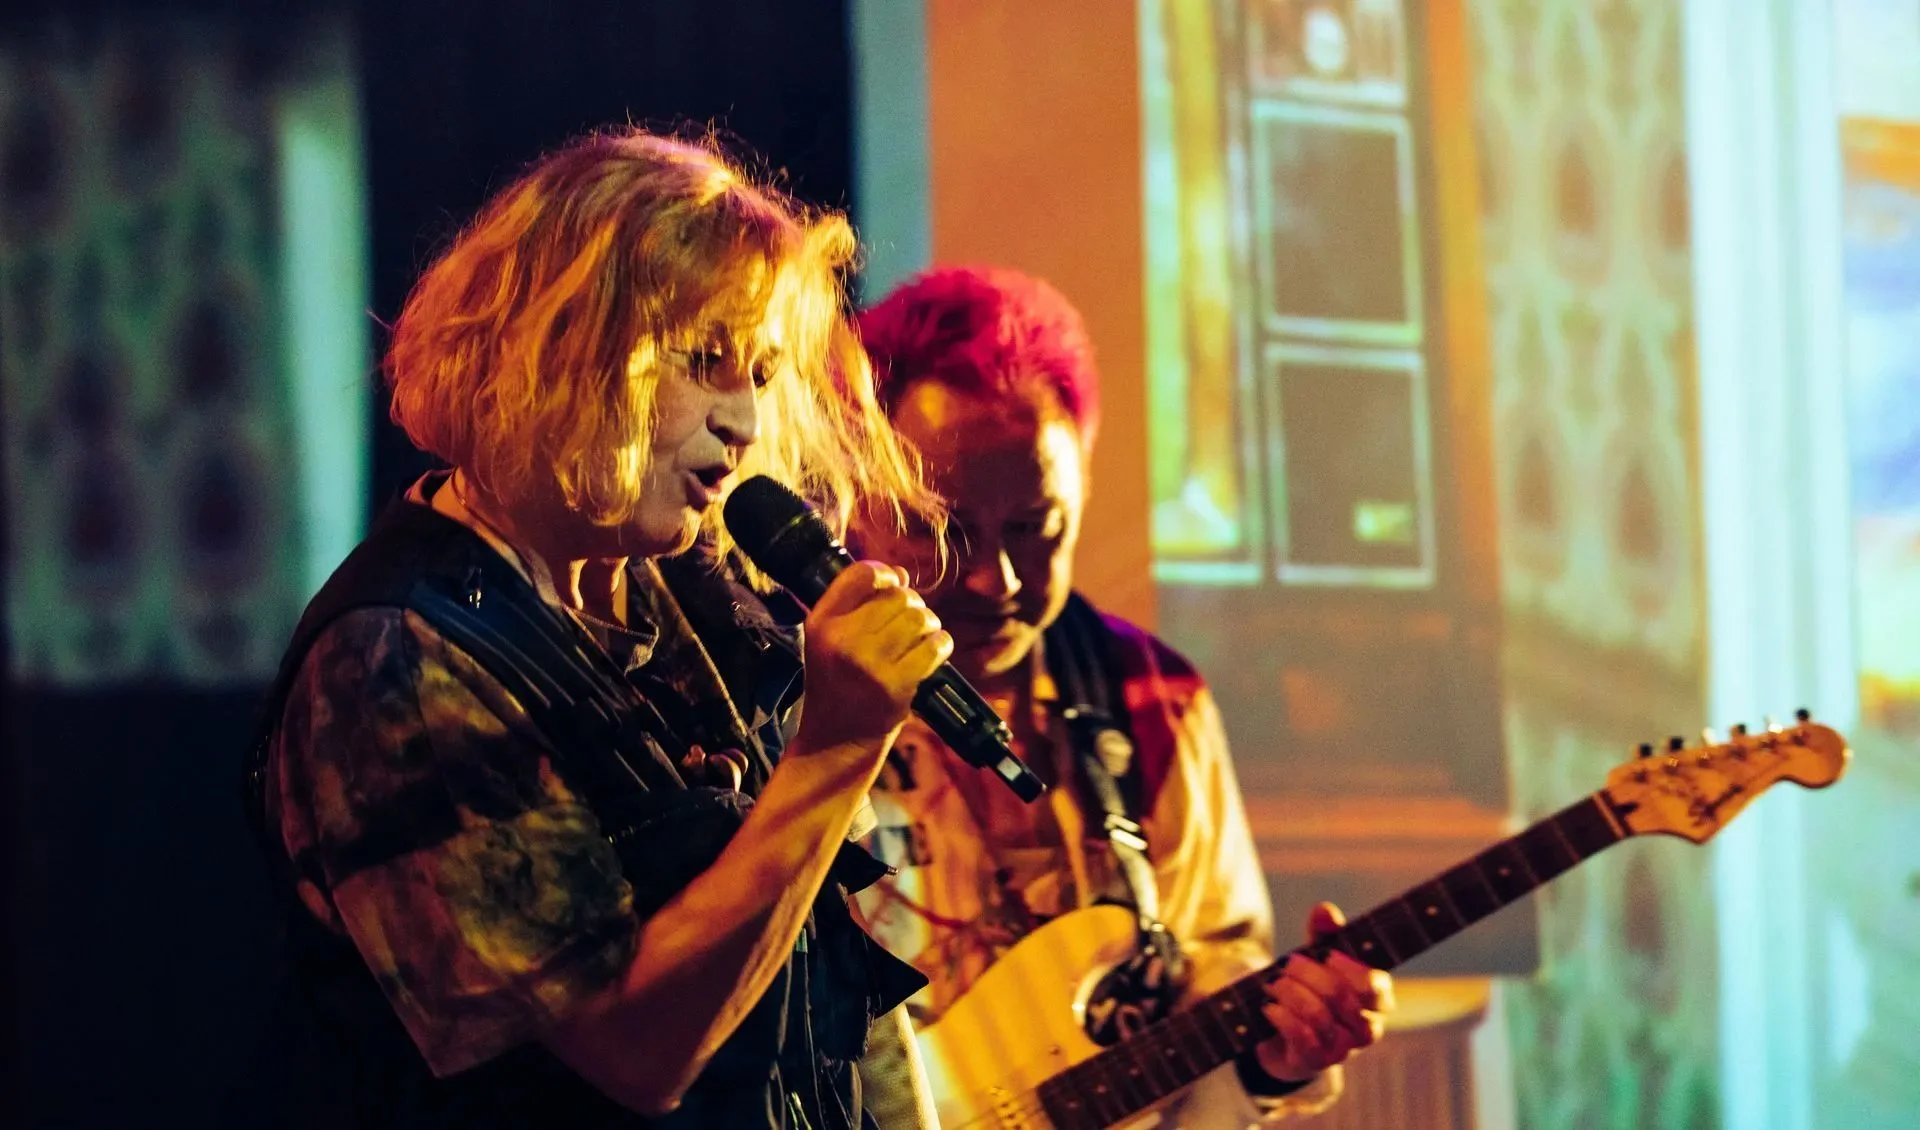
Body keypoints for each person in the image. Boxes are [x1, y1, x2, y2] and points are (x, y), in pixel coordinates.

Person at [243, 128, 950, 1128]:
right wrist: (834, 751)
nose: (747, 421)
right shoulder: (396, 656)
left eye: (763, 370)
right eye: (708, 361)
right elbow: (628, 1053)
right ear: (564, 346)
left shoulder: (688, 597)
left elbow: (823, 996)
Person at [847, 267, 1395, 1126]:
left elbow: (1205, 1022)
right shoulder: (772, 704)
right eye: (946, 529)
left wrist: (1273, 1064)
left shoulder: (1157, 701)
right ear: (853, 499)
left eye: (1036, 529)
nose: (995, 579)